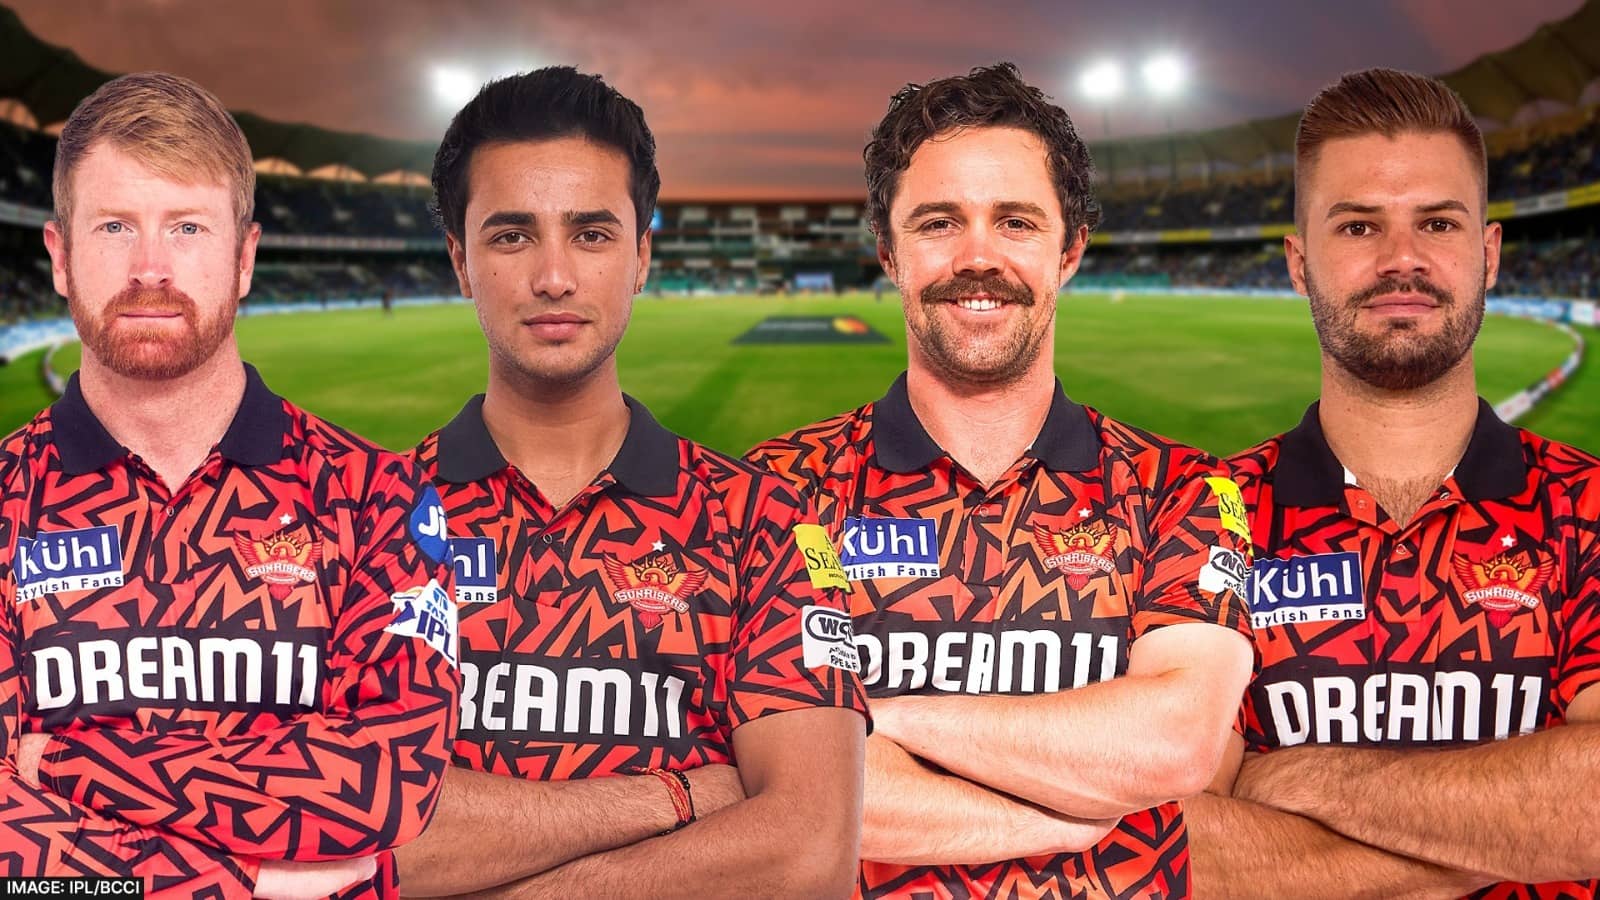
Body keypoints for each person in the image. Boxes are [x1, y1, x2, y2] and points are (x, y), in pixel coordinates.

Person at [746, 62, 1254, 899]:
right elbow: (783, 791)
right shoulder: (772, 492)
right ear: (888, 252)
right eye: (939, 222)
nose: (978, 257)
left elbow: (1175, 746)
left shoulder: (1184, 488)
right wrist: (1087, 811)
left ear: (1070, 250)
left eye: (1015, 221)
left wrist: (881, 721)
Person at [393, 66, 869, 899]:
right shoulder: (363, 516)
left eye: (591, 234)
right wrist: (679, 796)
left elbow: (811, 854)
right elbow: (339, 834)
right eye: (512, 237)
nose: (553, 277)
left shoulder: (773, 521)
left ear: (641, 256)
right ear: (461, 262)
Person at [0, 73, 459, 899]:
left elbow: (386, 782)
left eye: (187, 227)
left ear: (244, 259)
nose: (150, 267)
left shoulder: (379, 498)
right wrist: (246, 879)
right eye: (114, 226)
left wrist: (65, 763)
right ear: (60, 257)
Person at [1185, 67, 1600, 899]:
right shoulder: (1206, 519)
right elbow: (1177, 845)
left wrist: (1304, 780)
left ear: (1488, 254)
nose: (1401, 259)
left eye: (1437, 223)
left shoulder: (1586, 507)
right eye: (1358, 226)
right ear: (1299, 263)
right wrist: (1518, 826)